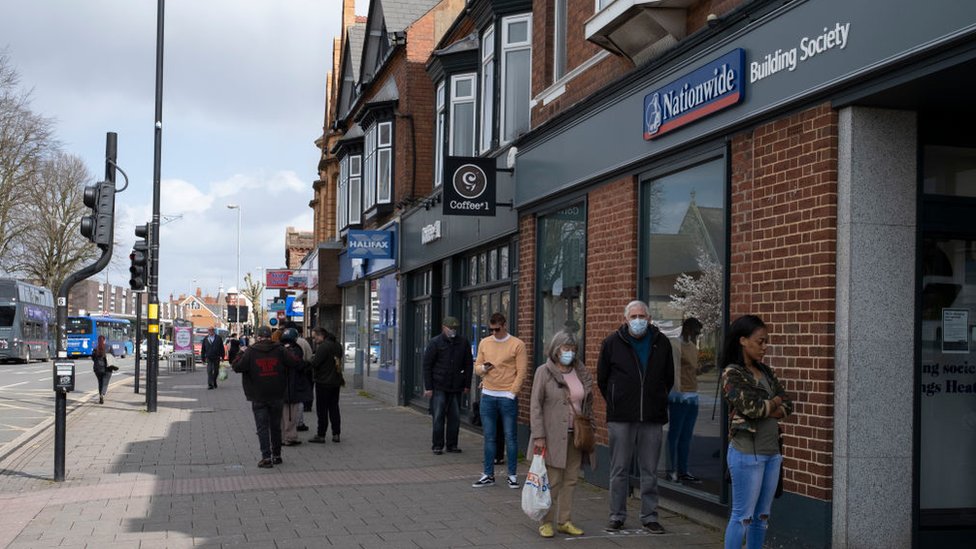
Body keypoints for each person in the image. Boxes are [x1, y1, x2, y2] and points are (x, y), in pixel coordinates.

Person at [597, 300, 674, 534]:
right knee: (618, 469)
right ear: (625, 319)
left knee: (649, 470)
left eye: (642, 316)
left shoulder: (662, 343)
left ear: (649, 319)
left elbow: (668, 378)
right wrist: (617, 400)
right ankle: (617, 515)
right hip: (621, 417)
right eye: (634, 316)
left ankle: (649, 516)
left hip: (652, 415)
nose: (638, 320)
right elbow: (602, 378)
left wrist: (657, 397)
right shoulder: (612, 343)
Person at [721, 315, 792, 549]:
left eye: (766, 341)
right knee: (743, 517)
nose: (765, 347)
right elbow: (753, 408)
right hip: (747, 452)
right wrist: (773, 403)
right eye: (760, 341)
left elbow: (788, 405)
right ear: (743, 340)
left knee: (762, 517)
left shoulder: (766, 371)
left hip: (772, 452)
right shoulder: (732, 374)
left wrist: (769, 406)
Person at [530, 330, 595, 538]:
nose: (570, 353)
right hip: (551, 435)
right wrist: (539, 435)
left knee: (571, 479)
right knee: (553, 480)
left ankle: (564, 521)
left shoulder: (580, 372)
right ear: (556, 350)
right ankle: (546, 521)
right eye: (566, 349)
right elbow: (535, 405)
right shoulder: (544, 372)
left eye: (573, 349)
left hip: (575, 435)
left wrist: (590, 427)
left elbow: (587, 403)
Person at [472, 312, 527, 489]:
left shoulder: (517, 344)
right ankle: (488, 474)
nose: (494, 333)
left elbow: (522, 371)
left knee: (510, 437)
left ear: (504, 325)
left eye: (497, 329)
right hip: (488, 394)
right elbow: (477, 367)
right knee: (489, 437)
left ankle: (512, 475)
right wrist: (483, 369)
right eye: (491, 329)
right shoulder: (485, 342)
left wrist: (512, 393)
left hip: (506, 396)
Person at [232, 325, 301, 468]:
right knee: (275, 426)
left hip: (258, 395)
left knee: (262, 428)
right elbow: (294, 362)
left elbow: (237, 367)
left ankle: (266, 457)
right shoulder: (280, 350)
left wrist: (240, 352)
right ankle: (277, 455)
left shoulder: (251, 351)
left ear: (258, 337)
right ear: (270, 336)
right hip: (277, 394)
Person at [422, 316, 473, 455]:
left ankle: (452, 444)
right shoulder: (435, 343)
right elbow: (427, 365)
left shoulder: (463, 343)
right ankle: (437, 445)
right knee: (438, 416)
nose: (453, 330)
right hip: (439, 385)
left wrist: (467, 384)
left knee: (455, 417)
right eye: (450, 328)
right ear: (444, 327)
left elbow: (468, 364)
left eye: (455, 328)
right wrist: (429, 387)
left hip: (456, 386)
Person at [666, 317, 705, 483]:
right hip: (679, 396)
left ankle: (683, 469)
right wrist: (676, 392)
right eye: (695, 333)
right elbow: (673, 369)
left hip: (692, 394)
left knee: (686, 436)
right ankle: (671, 468)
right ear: (688, 329)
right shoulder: (675, 345)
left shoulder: (693, 348)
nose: (696, 337)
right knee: (675, 434)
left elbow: (693, 369)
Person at [308, 327, 344, 444]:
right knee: (334, 408)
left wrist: (310, 360)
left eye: (315, 337)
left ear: (321, 335)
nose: (314, 340)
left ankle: (321, 434)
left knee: (322, 410)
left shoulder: (323, 347)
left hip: (323, 382)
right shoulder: (337, 345)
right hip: (335, 381)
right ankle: (336, 433)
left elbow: (315, 363)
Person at [280, 328, 312, 447]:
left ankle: (282, 437)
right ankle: (290, 437)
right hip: (293, 386)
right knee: (291, 414)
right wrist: (307, 365)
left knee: (282, 414)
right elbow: (298, 364)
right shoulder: (295, 349)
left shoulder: (279, 348)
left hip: (280, 386)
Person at [91, 335, 113, 404]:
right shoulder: (109, 347)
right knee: (105, 382)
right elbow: (113, 356)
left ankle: (100, 395)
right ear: (104, 340)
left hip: (97, 368)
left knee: (100, 382)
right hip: (107, 368)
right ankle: (102, 394)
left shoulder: (95, 349)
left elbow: (93, 358)